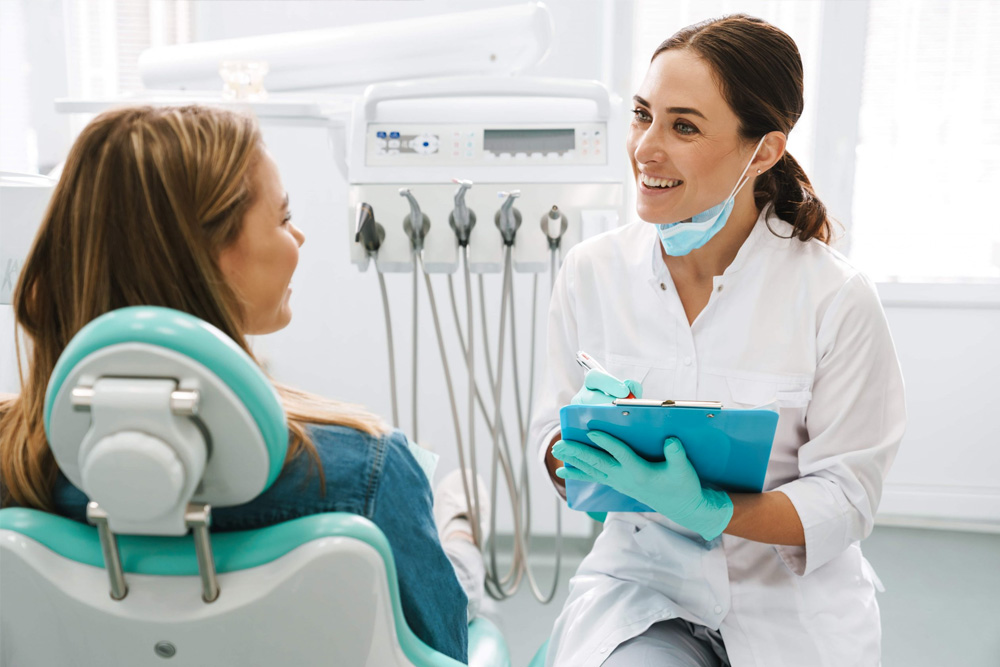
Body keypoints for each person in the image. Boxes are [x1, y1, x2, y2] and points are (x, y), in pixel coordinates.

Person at [0, 105, 487, 663]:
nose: (298, 236)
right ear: (205, 255)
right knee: (462, 575)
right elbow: (445, 651)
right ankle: (460, 520)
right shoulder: (366, 471)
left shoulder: (11, 460)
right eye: (283, 219)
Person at [528, 14, 906, 667]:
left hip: (789, 610)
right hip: (643, 590)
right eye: (642, 114)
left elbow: (847, 496)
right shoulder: (592, 273)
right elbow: (551, 452)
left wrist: (711, 508)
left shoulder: (836, 299)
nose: (646, 147)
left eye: (683, 126)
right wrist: (580, 448)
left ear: (762, 151)